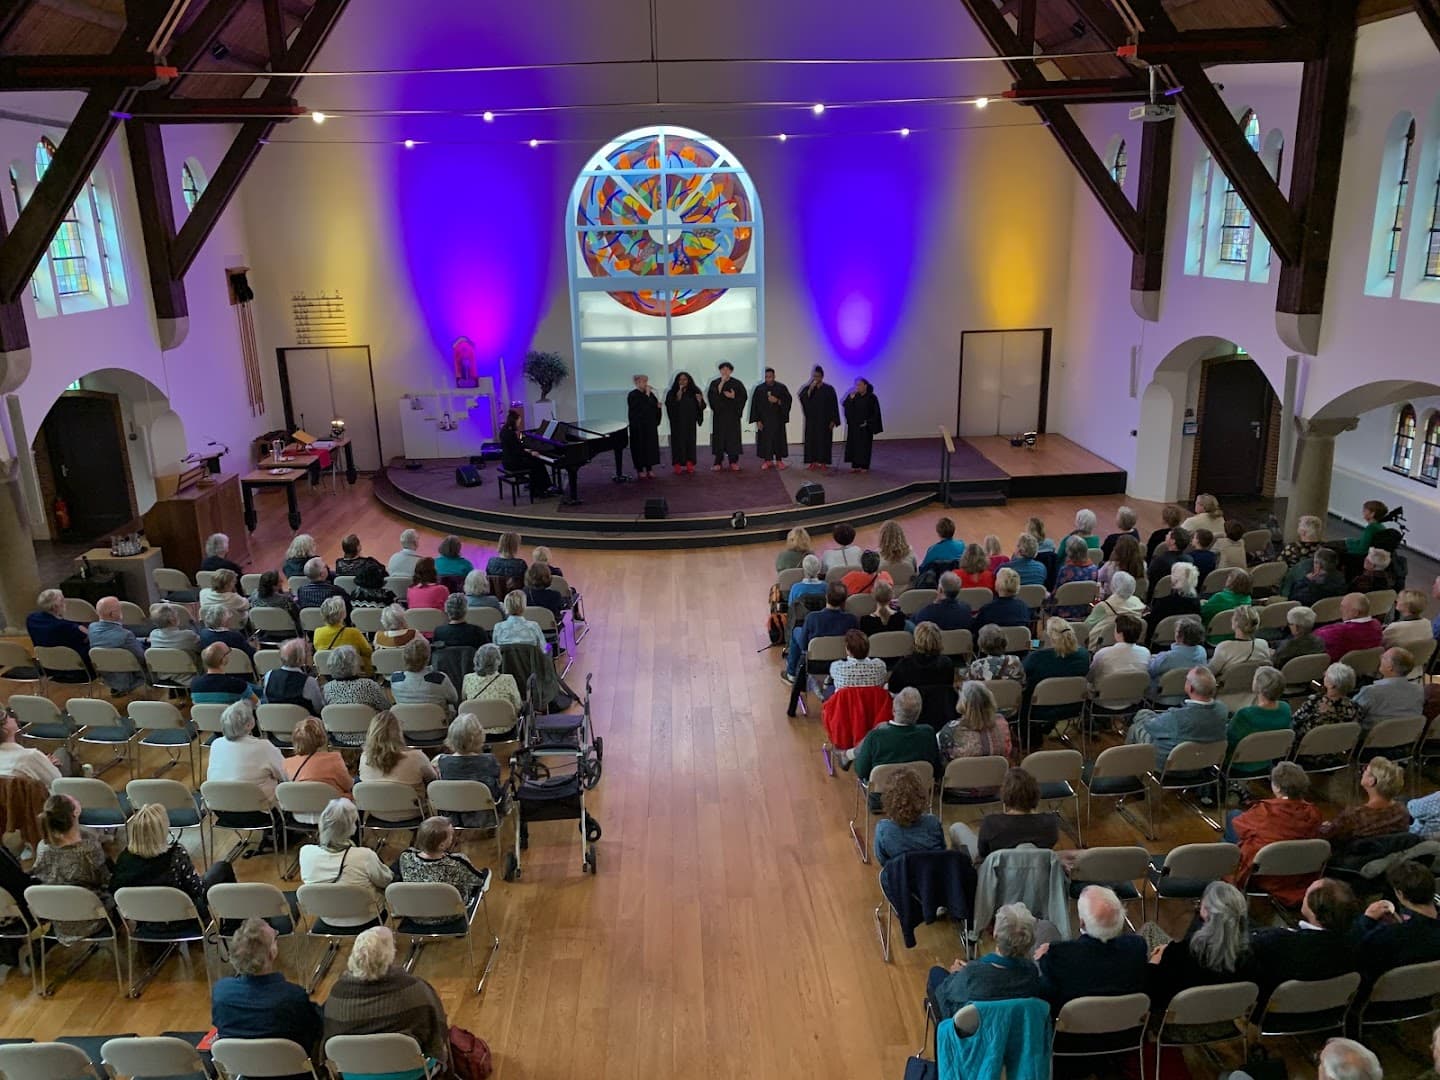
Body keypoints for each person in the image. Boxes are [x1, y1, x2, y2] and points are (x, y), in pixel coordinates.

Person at [322, 926, 450, 1072]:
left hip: (355, 1074)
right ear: (390, 955)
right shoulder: (415, 990)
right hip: (411, 1073)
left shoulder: (336, 995)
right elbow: (437, 1031)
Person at [212, 917, 323, 1053]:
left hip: (243, 1068)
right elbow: (316, 1028)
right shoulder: (292, 997)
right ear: (272, 953)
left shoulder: (221, 993)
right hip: (291, 1069)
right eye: (275, 937)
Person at [1145, 881, 1253, 1013]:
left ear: (1206, 912)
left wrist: (1154, 962)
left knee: (1149, 929)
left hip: (1177, 1026)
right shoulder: (1250, 954)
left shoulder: (1182, 953)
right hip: (1227, 1023)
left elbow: (1152, 994)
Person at [1226, 762, 1324, 907]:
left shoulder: (1265, 811)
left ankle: (1226, 871)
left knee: (1233, 817)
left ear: (1277, 787)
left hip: (1263, 876)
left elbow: (1239, 826)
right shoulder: (1314, 814)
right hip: (1298, 873)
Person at [1036, 886, 1148, 1011]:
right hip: (1128, 1027)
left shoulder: (1059, 956)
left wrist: (1045, 956)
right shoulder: (1137, 947)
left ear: (1082, 923)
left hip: (1072, 1028)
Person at [111, 802, 229, 920]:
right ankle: (232, 926)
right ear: (162, 831)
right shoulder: (176, 856)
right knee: (222, 868)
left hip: (145, 921)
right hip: (183, 918)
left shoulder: (124, 860)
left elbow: (116, 892)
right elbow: (197, 890)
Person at [1247, 879, 1358, 1004]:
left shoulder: (1277, 943)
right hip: (1325, 1014)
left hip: (1270, 1016)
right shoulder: (1353, 945)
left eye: (1306, 894)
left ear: (1314, 907)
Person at [927, 902, 1043, 1018]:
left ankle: (932, 1013)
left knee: (935, 972)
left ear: (995, 935)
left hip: (973, 1031)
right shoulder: (1031, 973)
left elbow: (945, 993)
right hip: (1009, 1026)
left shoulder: (972, 973)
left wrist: (956, 974)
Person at [1353, 861, 1440, 998]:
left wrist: (1366, 920)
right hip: (1431, 996)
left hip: (1385, 1003)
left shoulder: (1386, 938)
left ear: (1399, 893)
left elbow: (1356, 956)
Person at [300, 800, 391, 928]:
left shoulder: (305, 852)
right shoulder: (364, 855)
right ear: (352, 828)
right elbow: (385, 881)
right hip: (367, 916)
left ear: (322, 823)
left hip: (327, 916)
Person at [32, 794, 111, 936]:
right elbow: (106, 880)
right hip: (92, 917)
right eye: (74, 800)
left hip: (57, 915)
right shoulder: (89, 848)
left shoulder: (42, 847)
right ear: (75, 812)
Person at [1126, 666, 1228, 770]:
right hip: (1203, 763)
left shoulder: (1177, 717)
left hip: (1169, 766)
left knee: (1136, 725)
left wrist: (1144, 715)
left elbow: (1150, 727)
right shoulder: (1222, 710)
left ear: (1190, 688)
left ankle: (1127, 771)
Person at [950, 767, 1059, 862]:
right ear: (1036, 794)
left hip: (995, 876)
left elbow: (983, 853)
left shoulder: (991, 823)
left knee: (956, 828)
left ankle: (957, 878)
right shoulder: (1050, 823)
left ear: (1005, 794)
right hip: (1036, 873)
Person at [397, 817, 491, 923]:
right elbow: (478, 881)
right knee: (483, 876)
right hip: (451, 916)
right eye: (451, 835)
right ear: (441, 845)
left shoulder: (405, 857)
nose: (453, 837)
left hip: (415, 915)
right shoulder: (457, 863)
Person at [851, 687, 941, 783]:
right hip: (918, 792)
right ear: (919, 712)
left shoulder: (875, 736)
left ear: (893, 710)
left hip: (880, 795)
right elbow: (936, 769)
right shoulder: (928, 733)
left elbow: (861, 771)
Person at [1320, 757, 1410, 850]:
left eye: (1365, 769)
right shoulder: (1401, 811)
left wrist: (1325, 827)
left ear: (1372, 781)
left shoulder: (1353, 816)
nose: (1362, 772)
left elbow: (1325, 837)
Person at [208, 700, 288, 803]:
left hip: (221, 806)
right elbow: (285, 774)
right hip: (258, 808)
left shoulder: (216, 744)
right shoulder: (263, 747)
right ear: (249, 724)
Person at [1022, 618, 1091, 733]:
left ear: (1049, 637)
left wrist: (1033, 645)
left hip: (1038, 709)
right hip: (1073, 706)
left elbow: (1022, 674)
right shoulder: (1084, 655)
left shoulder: (1036, 657)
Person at [434, 716, 503, 827]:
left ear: (451, 737)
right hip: (485, 815)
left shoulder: (440, 762)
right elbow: (495, 788)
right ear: (480, 737)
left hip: (453, 816)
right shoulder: (489, 761)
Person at [887, 622, 956, 728]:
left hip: (912, 718)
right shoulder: (947, 663)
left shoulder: (905, 664)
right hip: (942, 717)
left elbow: (893, 688)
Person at [785, 583, 857, 682]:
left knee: (796, 630)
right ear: (845, 600)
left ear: (826, 597)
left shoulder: (812, 618)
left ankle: (791, 673)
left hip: (816, 665)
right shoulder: (852, 619)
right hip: (843, 662)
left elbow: (803, 645)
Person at [873, 767, 945, 867]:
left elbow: (883, 861)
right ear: (921, 796)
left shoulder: (883, 830)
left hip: (900, 879)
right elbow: (943, 851)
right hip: (933, 877)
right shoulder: (933, 823)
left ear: (887, 800)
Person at [1226, 666, 1291, 774]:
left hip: (1238, 765)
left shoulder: (1245, 714)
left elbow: (1229, 741)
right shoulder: (1286, 708)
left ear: (1257, 687)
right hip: (1268, 760)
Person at [283, 716, 353, 817]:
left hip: (300, 813)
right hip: (333, 812)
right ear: (322, 737)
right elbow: (348, 785)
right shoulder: (333, 759)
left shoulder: (287, 763)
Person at [938, 681, 1010, 763]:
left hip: (962, 775)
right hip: (996, 774)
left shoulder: (950, 731)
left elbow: (944, 762)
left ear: (963, 704)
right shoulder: (1002, 723)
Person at [87, 595, 145, 694]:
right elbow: (142, 658)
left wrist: (142, 640)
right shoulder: (126, 635)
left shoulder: (91, 628)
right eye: (119, 609)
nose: (122, 611)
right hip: (129, 677)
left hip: (107, 676)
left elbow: (111, 640)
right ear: (112, 614)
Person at [1354, 646, 1425, 727]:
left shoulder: (1371, 692)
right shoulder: (1419, 690)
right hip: (1406, 736)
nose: (1380, 657)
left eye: (1384, 657)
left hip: (1371, 737)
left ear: (1390, 667)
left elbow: (1351, 714)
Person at [1293, 662, 1365, 740]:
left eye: (1326, 675)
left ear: (1331, 685)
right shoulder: (1355, 708)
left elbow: (1295, 722)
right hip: (1338, 747)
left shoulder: (1314, 702)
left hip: (1310, 747)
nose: (1324, 674)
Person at [389, 638, 459, 718]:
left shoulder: (395, 679)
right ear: (428, 658)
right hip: (437, 726)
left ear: (404, 657)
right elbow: (454, 699)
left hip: (405, 726)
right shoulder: (440, 679)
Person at [1148, 617, 1208, 704]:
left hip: (1162, 697)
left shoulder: (1167, 657)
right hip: (1189, 695)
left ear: (1179, 636)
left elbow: (1150, 671)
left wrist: (1154, 658)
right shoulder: (1202, 651)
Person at [1088, 612, 1151, 694]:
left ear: (1119, 633)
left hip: (1104, 698)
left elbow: (1090, 677)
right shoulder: (1146, 652)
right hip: (1132, 696)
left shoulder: (1103, 653)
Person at [26, 588, 89, 669]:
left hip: (47, 665)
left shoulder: (31, 619)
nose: (65, 603)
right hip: (74, 667)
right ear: (55, 606)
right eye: (63, 600)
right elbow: (86, 636)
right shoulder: (65, 626)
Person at [500, 406, 554, 498]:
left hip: (507, 460)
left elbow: (514, 449)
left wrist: (526, 450)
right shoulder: (511, 434)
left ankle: (539, 488)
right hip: (513, 463)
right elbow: (517, 452)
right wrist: (530, 453)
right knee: (537, 463)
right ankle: (541, 490)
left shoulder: (504, 431)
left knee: (535, 461)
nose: (519, 424)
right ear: (514, 421)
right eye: (518, 422)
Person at [321, 645, 391, 715]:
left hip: (339, 725)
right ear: (354, 664)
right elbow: (386, 708)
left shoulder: (327, 688)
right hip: (369, 724)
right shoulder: (369, 685)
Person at [262, 638, 325, 715]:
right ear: (301, 658)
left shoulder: (269, 674)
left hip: (275, 721)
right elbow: (319, 708)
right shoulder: (309, 682)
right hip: (303, 724)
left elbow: (267, 698)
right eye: (309, 653)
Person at [0, 709, 63, 784]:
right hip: (38, 794)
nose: (13, 718)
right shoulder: (30, 756)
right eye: (9, 717)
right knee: (62, 752)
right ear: (5, 729)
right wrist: (46, 765)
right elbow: (57, 781)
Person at [1085, 571, 1145, 650]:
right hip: (1129, 644)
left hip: (1099, 646)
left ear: (1113, 586)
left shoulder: (1105, 606)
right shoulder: (1138, 603)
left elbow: (1086, 627)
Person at [1315, 592, 1383, 661]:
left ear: (1355, 613)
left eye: (1343, 607)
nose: (1340, 610)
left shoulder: (1339, 632)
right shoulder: (1377, 625)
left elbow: (1315, 635)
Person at [706, 361, 748, 471]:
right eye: (723, 369)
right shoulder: (715, 383)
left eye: (727, 369)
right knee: (719, 438)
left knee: (733, 438)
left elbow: (743, 397)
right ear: (719, 370)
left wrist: (734, 397)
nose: (725, 371)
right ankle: (718, 462)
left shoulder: (737, 383)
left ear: (731, 371)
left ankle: (733, 461)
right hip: (720, 416)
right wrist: (721, 383)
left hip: (732, 416)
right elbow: (712, 396)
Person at [461, 643, 524, 714]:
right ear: (498, 661)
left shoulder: (468, 678)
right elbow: (518, 706)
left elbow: (465, 702)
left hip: (475, 723)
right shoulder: (508, 680)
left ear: (476, 659)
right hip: (503, 723)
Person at [798, 364, 840, 470]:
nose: (815, 378)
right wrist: (810, 390)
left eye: (817, 376)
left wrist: (834, 420)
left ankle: (824, 462)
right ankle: (813, 461)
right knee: (811, 441)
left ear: (822, 377)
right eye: (814, 376)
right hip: (812, 421)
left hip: (825, 421)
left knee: (824, 441)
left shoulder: (829, 389)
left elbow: (834, 405)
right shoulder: (808, 388)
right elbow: (803, 398)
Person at [191, 642, 260, 707]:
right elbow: (257, 704)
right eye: (228, 652)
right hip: (234, 719)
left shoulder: (194, 684)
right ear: (223, 660)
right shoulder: (237, 685)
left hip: (206, 719)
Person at [750, 367, 792, 470]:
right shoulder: (759, 389)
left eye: (770, 377)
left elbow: (788, 401)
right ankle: (767, 461)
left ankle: (779, 460)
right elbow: (755, 405)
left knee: (779, 440)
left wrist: (777, 401)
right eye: (766, 377)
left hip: (778, 420)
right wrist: (758, 420)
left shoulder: (781, 388)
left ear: (774, 376)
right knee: (766, 440)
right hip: (764, 420)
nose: (768, 379)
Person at [313, 595, 372, 669]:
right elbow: (368, 652)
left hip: (329, 671)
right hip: (353, 672)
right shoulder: (353, 633)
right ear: (343, 614)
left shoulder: (317, 632)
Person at [1147, 562, 1203, 641]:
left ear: (1174, 581)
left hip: (1158, 643)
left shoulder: (1163, 604)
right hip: (1186, 641)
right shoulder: (1197, 603)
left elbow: (1151, 625)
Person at [1210, 606, 1271, 677]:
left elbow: (1210, 672)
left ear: (1236, 623)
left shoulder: (1224, 647)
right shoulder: (1263, 644)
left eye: (1233, 616)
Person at [664, 371, 706, 474]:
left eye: (685, 379)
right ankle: (677, 464)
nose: (682, 381)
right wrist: (677, 398)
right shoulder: (672, 392)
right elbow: (669, 406)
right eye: (680, 380)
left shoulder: (695, 391)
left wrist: (700, 401)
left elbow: (702, 406)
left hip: (690, 422)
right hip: (677, 423)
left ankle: (689, 463)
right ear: (677, 381)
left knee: (690, 442)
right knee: (677, 443)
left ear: (689, 380)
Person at [1051, 536, 1099, 618]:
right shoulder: (1094, 570)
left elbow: (1056, 593)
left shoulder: (1065, 570)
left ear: (1069, 552)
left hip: (1063, 610)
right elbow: (1096, 596)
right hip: (1085, 610)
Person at [829, 628, 888, 693]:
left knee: (830, 686)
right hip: (872, 702)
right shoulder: (880, 665)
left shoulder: (837, 667)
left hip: (846, 702)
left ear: (847, 649)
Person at [842, 377, 882, 472]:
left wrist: (868, 422)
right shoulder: (854, 396)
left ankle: (864, 466)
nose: (857, 387)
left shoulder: (872, 397)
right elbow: (846, 407)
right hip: (854, 426)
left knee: (864, 447)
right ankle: (855, 465)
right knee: (854, 445)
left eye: (859, 385)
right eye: (856, 385)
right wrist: (850, 399)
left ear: (865, 386)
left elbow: (876, 413)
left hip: (865, 426)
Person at [626, 373, 663, 478]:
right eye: (643, 381)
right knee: (639, 447)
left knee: (650, 447)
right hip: (638, 427)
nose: (646, 383)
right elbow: (640, 408)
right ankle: (640, 469)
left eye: (646, 381)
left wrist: (658, 408)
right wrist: (647, 395)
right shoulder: (633, 395)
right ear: (637, 382)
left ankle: (649, 468)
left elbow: (654, 406)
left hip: (649, 426)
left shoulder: (650, 394)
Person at [1201, 568, 1254, 639]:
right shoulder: (1248, 599)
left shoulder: (1220, 597)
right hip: (1236, 634)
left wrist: (1202, 604)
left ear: (1231, 582)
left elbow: (1203, 613)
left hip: (1214, 636)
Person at [249, 570, 301, 635]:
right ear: (273, 586)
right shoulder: (284, 600)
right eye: (279, 581)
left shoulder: (254, 595)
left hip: (265, 630)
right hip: (288, 631)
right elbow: (297, 614)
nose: (282, 581)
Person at [1098, 534, 1148, 601]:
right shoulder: (1143, 565)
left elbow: (1097, 577)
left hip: (1111, 599)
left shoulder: (1111, 566)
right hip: (1133, 598)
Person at [1146, 526, 1193, 595]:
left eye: (1168, 534)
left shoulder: (1160, 560)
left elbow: (1149, 577)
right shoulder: (1189, 560)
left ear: (1173, 541)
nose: (1166, 535)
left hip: (1157, 595)